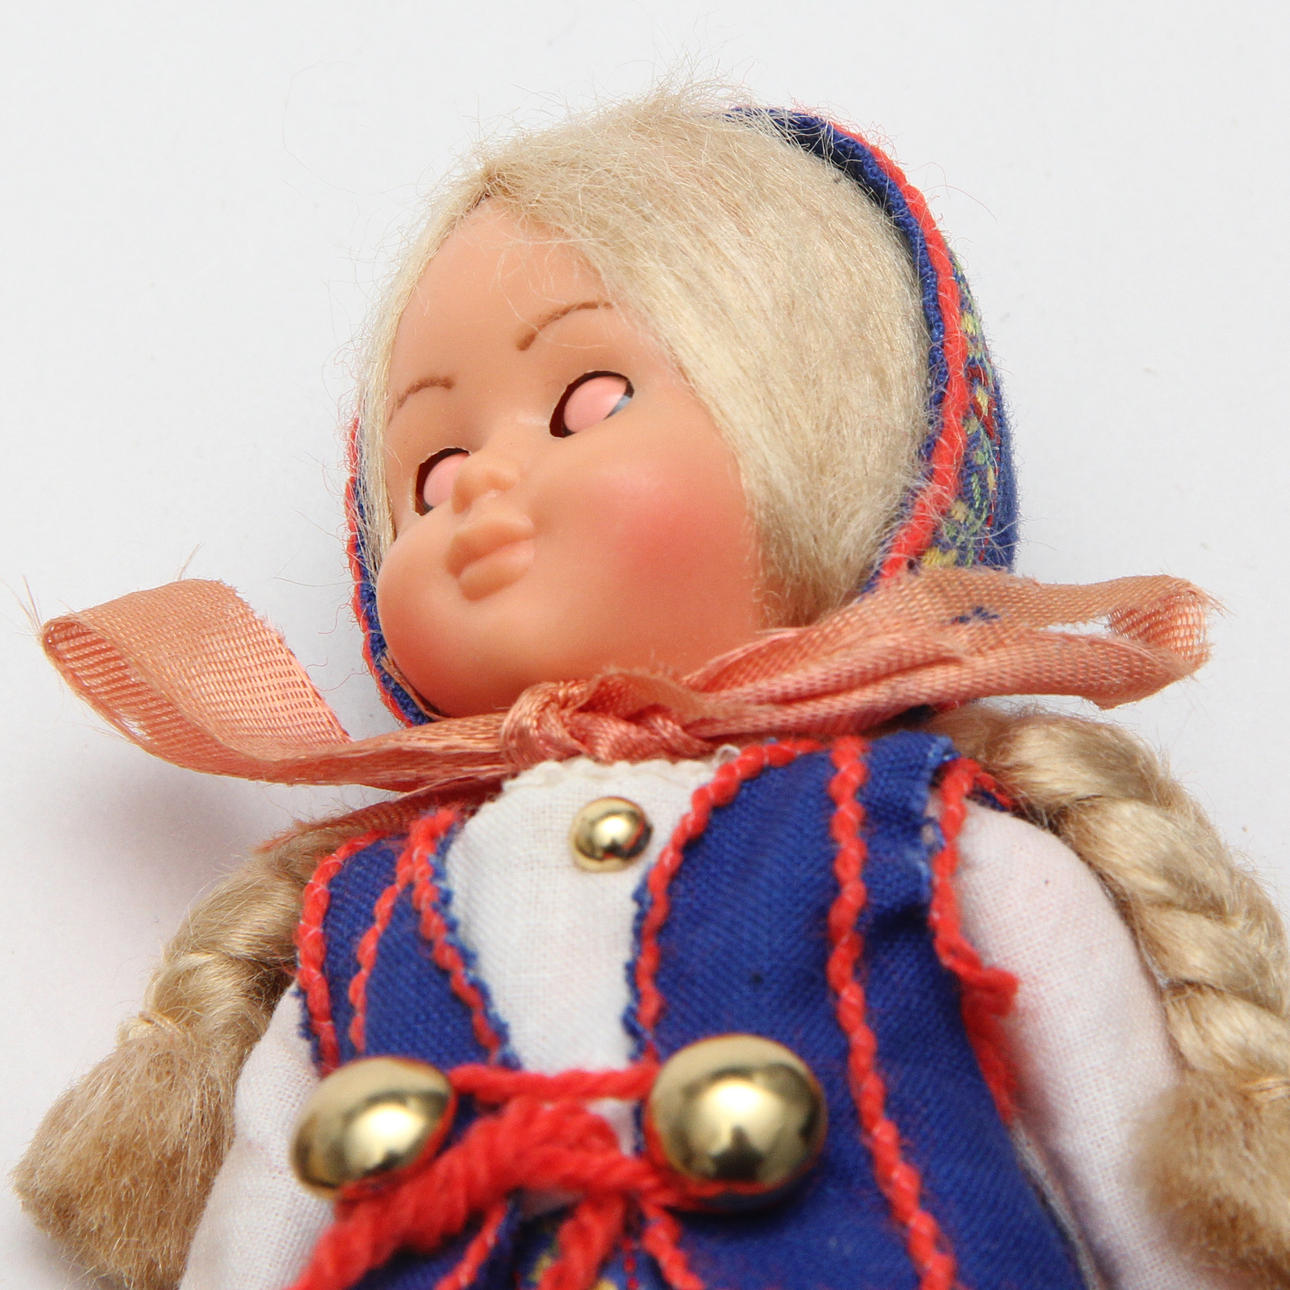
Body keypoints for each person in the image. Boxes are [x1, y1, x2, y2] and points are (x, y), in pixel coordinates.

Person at [17, 91, 1290, 1290]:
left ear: (813, 417)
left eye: (586, 403)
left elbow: (1140, 1182)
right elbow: (258, 1231)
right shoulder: (362, 925)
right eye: (432, 470)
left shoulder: (927, 843)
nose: (483, 483)